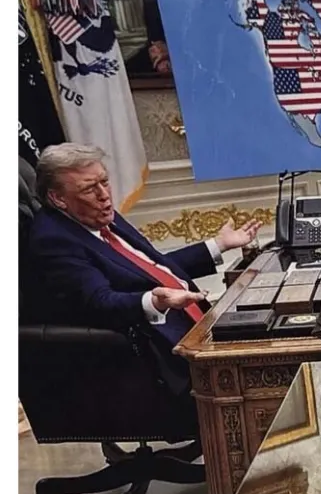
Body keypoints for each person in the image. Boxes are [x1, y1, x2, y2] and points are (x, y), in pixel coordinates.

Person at [27, 143, 260, 366]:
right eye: (89, 189)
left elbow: (150, 267)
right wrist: (153, 302)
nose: (104, 195)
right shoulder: (54, 240)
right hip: (159, 349)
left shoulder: (99, 215)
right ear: (58, 198)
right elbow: (100, 302)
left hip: (196, 323)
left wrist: (218, 244)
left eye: (105, 182)